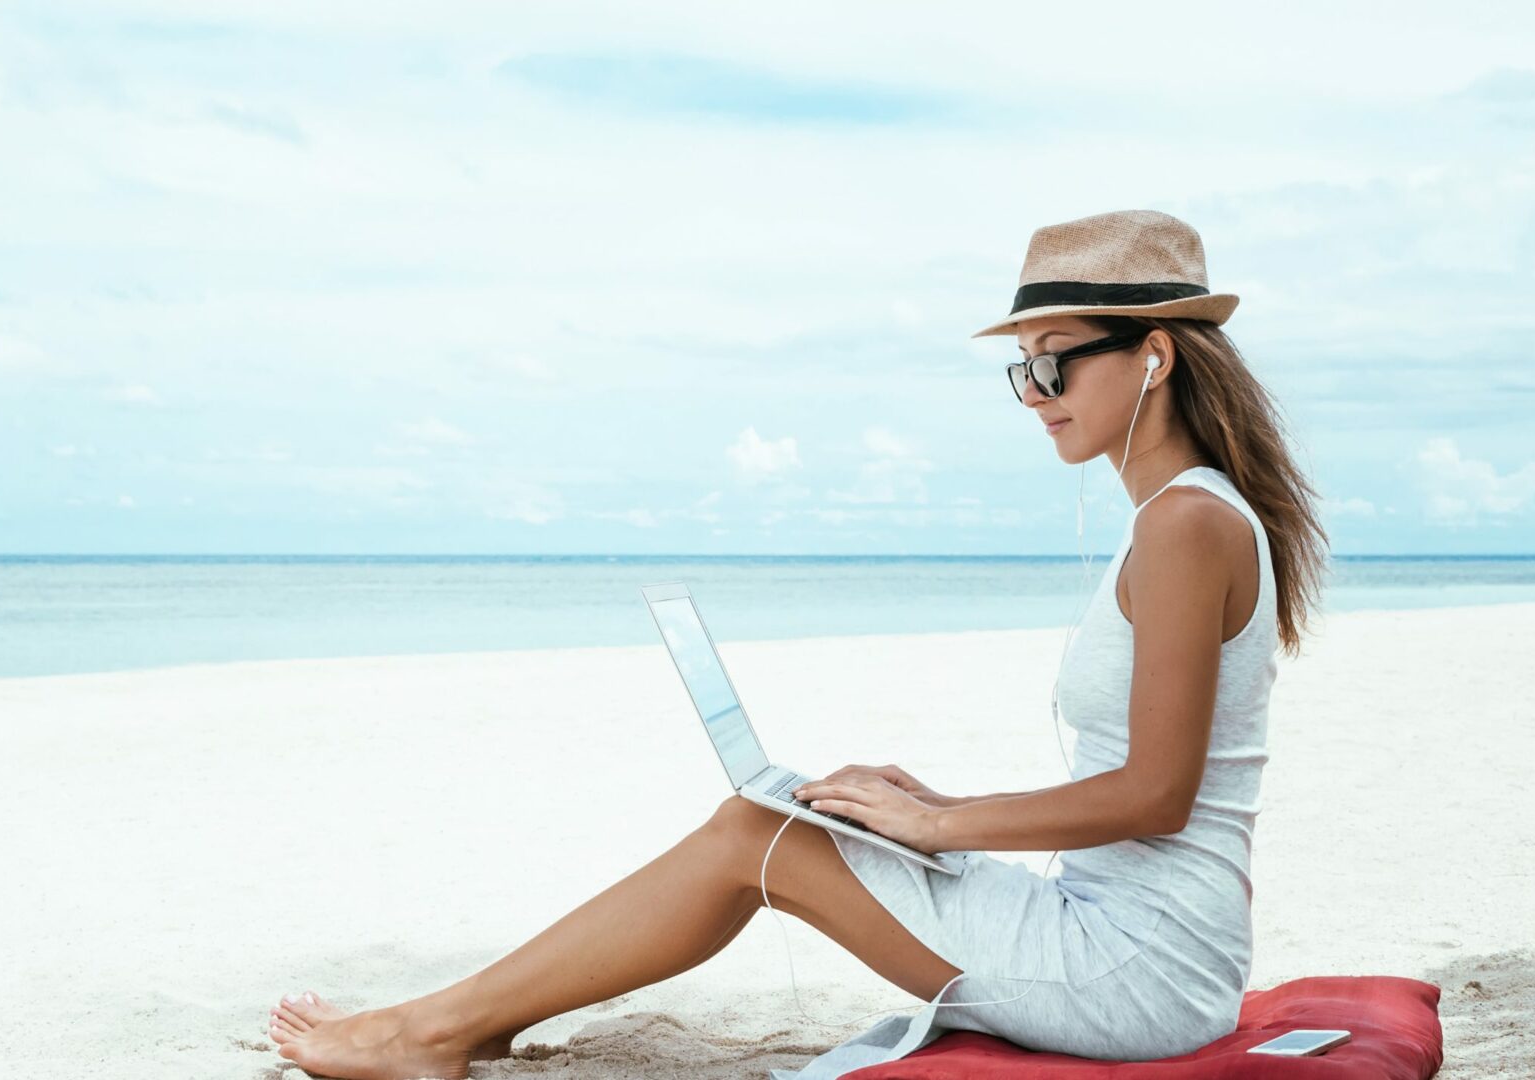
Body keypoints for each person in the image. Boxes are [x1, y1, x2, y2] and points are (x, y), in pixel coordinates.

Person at [264, 208, 1331, 1080]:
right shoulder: (1186, 517)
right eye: (1022, 372)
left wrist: (938, 822)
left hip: (1139, 975)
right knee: (775, 817)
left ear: (1152, 359)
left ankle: (434, 1034)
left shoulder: (1187, 524)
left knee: (753, 836)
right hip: (1127, 936)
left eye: (1054, 366)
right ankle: (473, 1021)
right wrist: (928, 822)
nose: (1033, 397)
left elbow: (1156, 797)